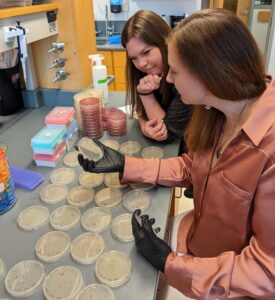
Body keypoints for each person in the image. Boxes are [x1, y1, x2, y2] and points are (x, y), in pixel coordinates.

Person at [78, 8, 275, 299]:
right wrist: (126, 165)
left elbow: (266, 271)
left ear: (209, 73)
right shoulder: (221, 113)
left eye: (176, 70)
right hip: (198, 243)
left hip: (224, 283)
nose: (167, 79)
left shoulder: (268, 149)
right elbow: (193, 166)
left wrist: (170, 264)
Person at [121, 10, 192, 147]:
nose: (141, 64)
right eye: (134, 58)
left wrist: (146, 95)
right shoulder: (150, 70)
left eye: (146, 52)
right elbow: (140, 110)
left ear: (164, 42)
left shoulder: (185, 78)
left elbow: (167, 133)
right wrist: (143, 126)